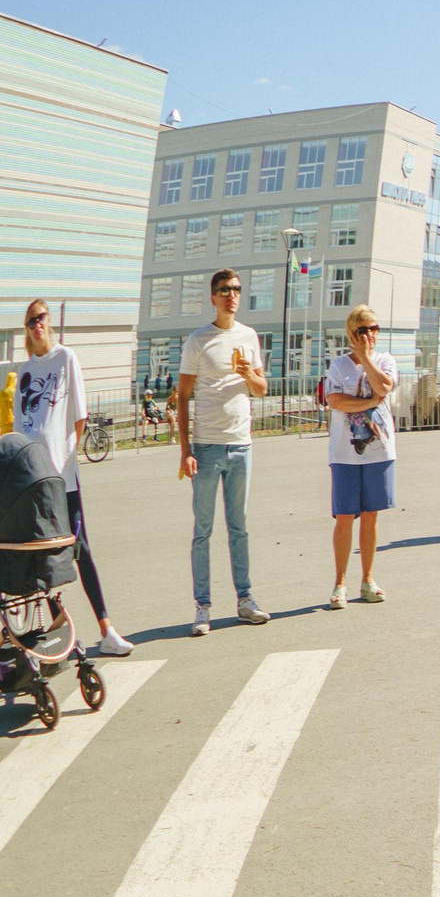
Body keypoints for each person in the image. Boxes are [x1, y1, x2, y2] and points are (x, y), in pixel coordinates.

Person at [15, 300, 132, 655]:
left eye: (41, 318)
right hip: (32, 481)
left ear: (49, 321)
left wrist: (67, 458)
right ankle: (52, 632)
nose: (38, 324)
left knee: (80, 549)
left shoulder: (66, 358)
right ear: (26, 328)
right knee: (38, 556)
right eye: (31, 321)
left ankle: (107, 630)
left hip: (62, 478)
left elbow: (78, 418)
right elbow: (21, 427)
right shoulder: (25, 371)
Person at [174, 267, 269, 636]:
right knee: (203, 530)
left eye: (236, 289)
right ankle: (202, 606)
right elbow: (183, 396)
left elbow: (261, 389)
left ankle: (245, 599)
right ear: (212, 297)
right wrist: (186, 450)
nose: (232, 295)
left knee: (239, 527)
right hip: (207, 447)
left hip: (241, 445)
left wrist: (248, 374)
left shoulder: (249, 336)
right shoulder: (198, 340)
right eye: (225, 290)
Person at [320, 307, 398, 607]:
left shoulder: (385, 360)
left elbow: (384, 387)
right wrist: (369, 402)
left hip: (379, 452)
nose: (369, 335)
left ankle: (368, 580)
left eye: (373, 328)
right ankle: (340, 583)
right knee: (344, 518)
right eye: (363, 330)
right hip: (344, 454)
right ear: (351, 333)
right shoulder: (338, 365)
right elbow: (335, 401)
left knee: (371, 515)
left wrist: (366, 359)